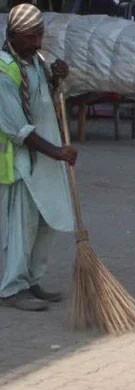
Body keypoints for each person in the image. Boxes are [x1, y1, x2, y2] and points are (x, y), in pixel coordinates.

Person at [0, 3, 77, 311]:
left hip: (46, 159)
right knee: (23, 225)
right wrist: (58, 152)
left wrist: (58, 78)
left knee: (47, 221)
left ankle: (33, 280)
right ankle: (12, 288)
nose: (37, 43)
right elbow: (18, 129)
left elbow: (46, 100)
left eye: (40, 35)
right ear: (13, 35)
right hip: (22, 161)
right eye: (30, 37)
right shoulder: (5, 70)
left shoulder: (37, 61)